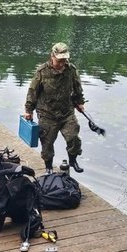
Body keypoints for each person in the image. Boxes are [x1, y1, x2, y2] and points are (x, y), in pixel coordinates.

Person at [24, 42, 86, 174]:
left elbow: (77, 88)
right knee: (47, 143)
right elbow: (32, 91)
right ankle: (48, 167)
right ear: (52, 56)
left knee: (73, 137)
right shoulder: (42, 71)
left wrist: (80, 102)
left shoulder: (71, 70)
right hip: (47, 114)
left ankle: (73, 160)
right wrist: (28, 110)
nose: (62, 63)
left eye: (64, 60)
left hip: (67, 112)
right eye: (59, 60)